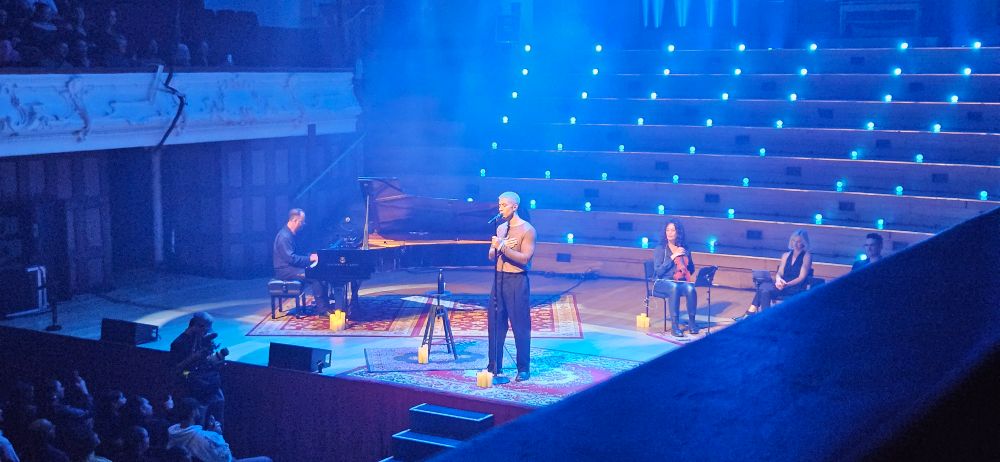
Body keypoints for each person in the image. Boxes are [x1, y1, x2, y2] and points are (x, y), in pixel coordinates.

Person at [487, 191, 536, 384]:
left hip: (517, 281)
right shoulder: (500, 228)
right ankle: (494, 365)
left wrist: (503, 247)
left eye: (504, 205)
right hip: (499, 279)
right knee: (495, 324)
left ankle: (523, 368)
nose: (500, 209)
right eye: (499, 205)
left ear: (514, 206)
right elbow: (491, 255)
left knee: (520, 326)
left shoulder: (528, 230)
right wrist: (496, 246)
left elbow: (525, 259)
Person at [166, 398, 270, 462]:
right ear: (193, 412)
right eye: (198, 409)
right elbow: (226, 457)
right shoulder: (205, 436)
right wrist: (217, 435)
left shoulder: (173, 433)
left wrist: (210, 434)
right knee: (266, 460)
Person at [169, 313, 225, 427]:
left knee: (218, 408)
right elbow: (176, 369)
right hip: (188, 377)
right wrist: (193, 357)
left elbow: (205, 359)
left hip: (206, 380)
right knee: (200, 416)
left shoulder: (202, 339)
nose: (206, 333)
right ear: (197, 326)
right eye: (205, 330)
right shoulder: (179, 343)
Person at [745, 229, 813, 316]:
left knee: (763, 288)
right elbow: (780, 272)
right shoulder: (785, 255)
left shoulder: (807, 256)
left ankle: (751, 312)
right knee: (764, 290)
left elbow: (801, 277)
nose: (795, 244)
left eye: (799, 242)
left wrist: (786, 284)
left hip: (796, 287)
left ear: (804, 242)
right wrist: (778, 280)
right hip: (782, 285)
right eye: (794, 241)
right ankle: (766, 316)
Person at [272, 208, 326, 312]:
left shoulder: (291, 234)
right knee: (315, 276)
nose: (303, 224)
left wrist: (311, 255)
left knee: (318, 273)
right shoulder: (284, 237)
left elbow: (298, 253)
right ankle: (323, 309)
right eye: (302, 222)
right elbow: (291, 258)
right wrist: (310, 258)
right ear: (295, 220)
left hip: (292, 268)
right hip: (285, 271)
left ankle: (323, 304)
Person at [652, 219, 698, 337]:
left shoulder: (684, 248)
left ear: (678, 232)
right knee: (674, 287)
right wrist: (673, 256)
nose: (670, 233)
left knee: (690, 288)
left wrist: (685, 261)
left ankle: (692, 323)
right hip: (661, 282)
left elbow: (691, 269)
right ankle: (674, 326)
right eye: (667, 230)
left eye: (673, 230)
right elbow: (658, 271)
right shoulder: (660, 248)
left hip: (678, 281)